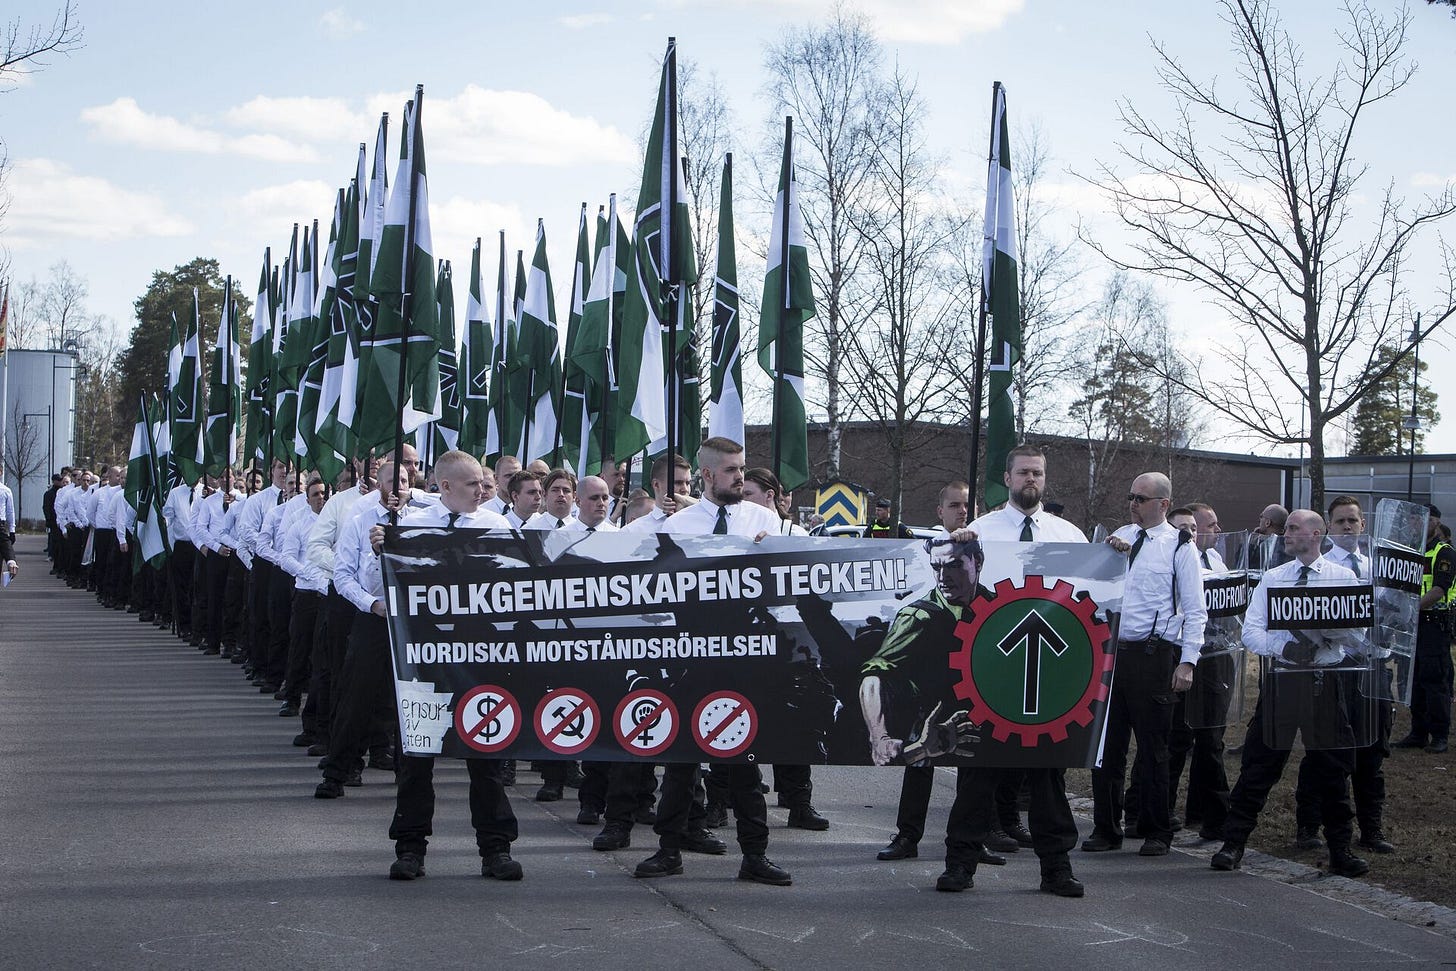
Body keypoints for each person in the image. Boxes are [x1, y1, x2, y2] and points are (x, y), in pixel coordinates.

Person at [633, 437, 791, 887]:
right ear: (707, 475)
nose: (740, 477)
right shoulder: (678, 526)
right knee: (681, 759)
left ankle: (755, 854)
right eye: (731, 470)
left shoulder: (765, 520)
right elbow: (654, 587)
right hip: (693, 657)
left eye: (742, 468)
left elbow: (792, 579)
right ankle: (669, 848)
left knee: (745, 760)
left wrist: (772, 552)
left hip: (745, 659)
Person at [937, 447, 1088, 897]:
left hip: (1046, 677)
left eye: (1037, 472)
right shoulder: (979, 532)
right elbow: (953, 590)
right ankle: (960, 864)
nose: (1031, 479)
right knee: (977, 775)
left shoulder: (1069, 535)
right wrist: (956, 543)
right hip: (991, 672)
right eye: (1023, 472)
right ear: (1007, 478)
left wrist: (1114, 555)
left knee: (1048, 779)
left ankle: (1057, 868)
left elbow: (1091, 592)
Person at [376, 450, 520, 882]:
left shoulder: (498, 527)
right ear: (445, 487)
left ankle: (496, 848)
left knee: (486, 752)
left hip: (480, 656)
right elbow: (385, 584)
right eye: (472, 484)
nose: (482, 491)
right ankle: (410, 848)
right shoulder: (412, 527)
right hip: (425, 658)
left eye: (483, 483)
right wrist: (382, 549)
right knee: (417, 757)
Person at [1211, 509, 1369, 878]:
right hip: (1283, 681)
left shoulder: (1342, 578)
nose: (1287, 534)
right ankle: (1233, 843)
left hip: (1325, 682)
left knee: (1332, 768)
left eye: (1295, 529)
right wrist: (1285, 648)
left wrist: (1328, 631)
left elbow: (1358, 634)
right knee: (1259, 764)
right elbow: (1251, 631)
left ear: (1316, 534)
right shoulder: (1274, 578)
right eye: (1288, 528)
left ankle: (1340, 850)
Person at [860, 537, 995, 892]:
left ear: (977, 562)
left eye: (954, 565)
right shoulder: (918, 616)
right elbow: (875, 673)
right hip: (931, 711)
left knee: (980, 777)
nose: (944, 576)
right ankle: (908, 836)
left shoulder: (996, 608)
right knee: (919, 767)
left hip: (981, 711)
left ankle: (974, 843)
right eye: (937, 567)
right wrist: (879, 735)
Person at [1084, 472, 1206, 858]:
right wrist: (1106, 554)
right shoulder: (1121, 536)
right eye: (1131, 497)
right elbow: (1093, 585)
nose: (1133, 504)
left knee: (1153, 749)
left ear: (1163, 504)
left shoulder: (1179, 547)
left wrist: (1187, 662)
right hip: (1112, 652)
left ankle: (1156, 829)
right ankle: (1106, 827)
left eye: (1141, 498)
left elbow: (1195, 610)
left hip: (1152, 655)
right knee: (1107, 747)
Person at [1293, 496, 1392, 854]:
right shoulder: (1318, 567)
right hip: (1333, 670)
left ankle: (1370, 829)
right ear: (1328, 528)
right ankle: (1309, 825)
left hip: (1373, 669)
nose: (1348, 526)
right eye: (1340, 521)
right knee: (1324, 751)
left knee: (1372, 750)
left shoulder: (1378, 567)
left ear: (1363, 524)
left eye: (1353, 520)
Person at [737, 466, 828, 831]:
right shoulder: (737, 532)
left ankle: (798, 801)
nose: (744, 502)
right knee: (741, 717)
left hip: (790, 642)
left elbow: (813, 584)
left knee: (795, 721)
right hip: (749, 639)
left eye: (749, 495)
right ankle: (724, 798)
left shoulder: (794, 534)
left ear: (769, 496)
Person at [1395, 504, 1454, 754]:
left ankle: (1439, 735)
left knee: (1434, 680)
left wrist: (1410, 609)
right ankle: (1418, 732)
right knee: (1414, 680)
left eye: (1422, 520)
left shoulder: (1445, 552)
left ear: (1436, 522)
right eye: (1413, 520)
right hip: (1412, 625)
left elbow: (1439, 589)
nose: (1416, 524)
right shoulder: (1412, 552)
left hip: (1433, 624)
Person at [622, 454, 696, 532]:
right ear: (656, 485)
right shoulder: (633, 531)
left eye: (688, 483)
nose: (685, 489)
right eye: (678, 483)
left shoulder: (700, 523)